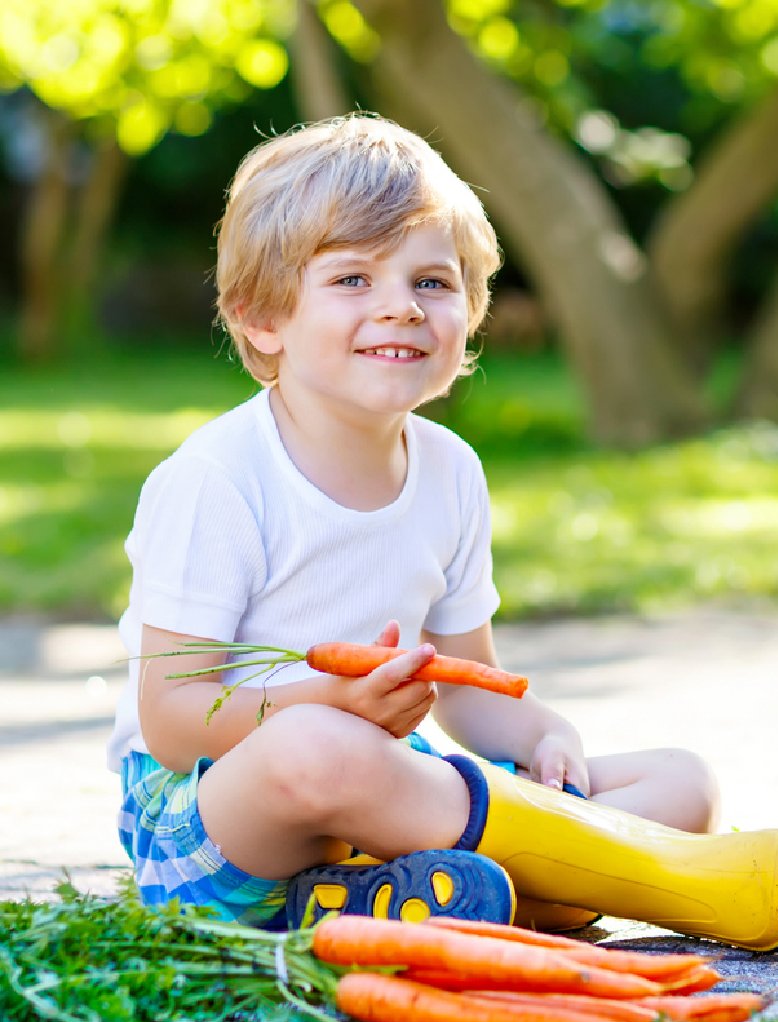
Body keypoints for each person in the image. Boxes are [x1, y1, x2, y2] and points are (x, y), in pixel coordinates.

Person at [107, 113, 724, 933]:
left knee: (684, 784)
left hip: (391, 791)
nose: (400, 308)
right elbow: (175, 720)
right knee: (318, 749)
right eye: (354, 280)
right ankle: (562, 876)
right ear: (262, 317)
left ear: (469, 312)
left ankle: (405, 902)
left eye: (431, 283)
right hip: (216, 822)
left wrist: (546, 734)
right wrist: (332, 703)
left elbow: (470, 691)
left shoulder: (451, 472)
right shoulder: (218, 479)